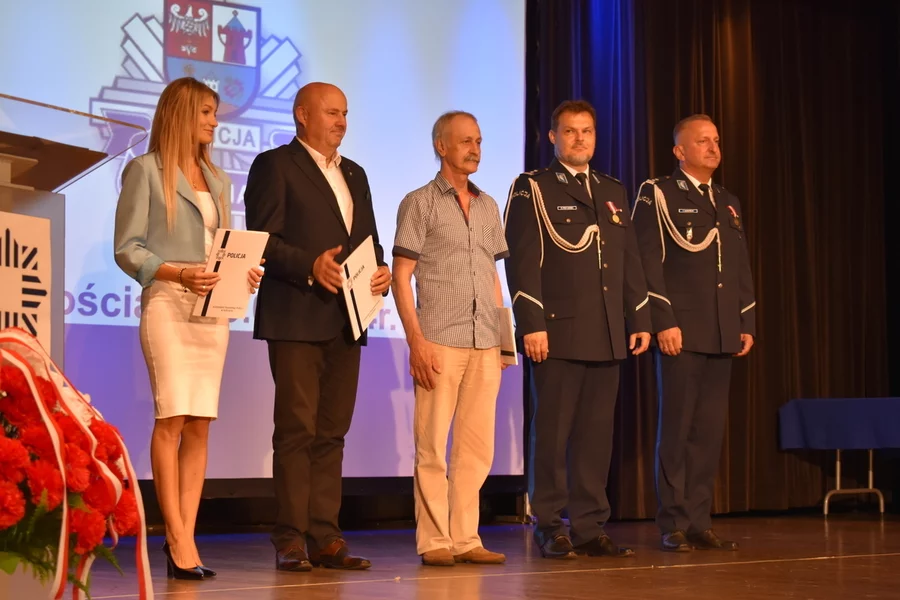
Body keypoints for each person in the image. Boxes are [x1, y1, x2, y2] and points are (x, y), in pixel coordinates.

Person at [113, 77, 263, 580]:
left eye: (215, 113)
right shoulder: (145, 171)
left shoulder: (217, 179)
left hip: (211, 312)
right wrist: (178, 273)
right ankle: (174, 536)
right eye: (205, 112)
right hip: (168, 304)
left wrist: (243, 272)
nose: (215, 122)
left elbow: (223, 247)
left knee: (200, 423)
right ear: (180, 113)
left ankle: (188, 538)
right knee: (172, 417)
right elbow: (127, 248)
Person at [244, 82, 391, 571]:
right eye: (331, 112)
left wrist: (381, 269)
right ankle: (290, 537)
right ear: (302, 115)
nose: (341, 121)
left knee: (332, 432)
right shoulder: (274, 165)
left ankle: (325, 536)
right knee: (296, 430)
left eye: (345, 113)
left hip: (348, 317)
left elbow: (368, 239)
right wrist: (310, 265)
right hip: (296, 314)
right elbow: (262, 239)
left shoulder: (355, 173)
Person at [503, 100, 651, 560]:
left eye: (587, 131)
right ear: (553, 137)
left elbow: (627, 260)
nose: (580, 139)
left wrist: (639, 317)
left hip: (606, 332)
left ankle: (589, 527)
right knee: (552, 435)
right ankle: (550, 525)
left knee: (594, 438)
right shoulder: (533, 188)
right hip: (558, 333)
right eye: (570, 131)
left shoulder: (612, 190)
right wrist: (531, 324)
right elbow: (522, 261)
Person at [631, 114, 756, 552]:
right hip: (680, 331)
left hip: (721, 330)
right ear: (679, 151)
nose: (713, 147)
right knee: (677, 430)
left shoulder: (727, 200)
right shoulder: (658, 193)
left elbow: (739, 266)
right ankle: (673, 522)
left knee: (708, 433)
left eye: (716, 140)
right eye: (702, 141)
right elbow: (646, 261)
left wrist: (745, 321)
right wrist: (662, 320)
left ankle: (700, 520)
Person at [392, 111, 509, 567]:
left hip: (485, 341)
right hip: (439, 338)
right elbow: (402, 276)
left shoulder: (488, 205)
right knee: (432, 446)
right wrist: (416, 341)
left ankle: (466, 537)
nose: (474, 149)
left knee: (476, 448)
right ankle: (435, 540)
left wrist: (504, 341)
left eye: (478, 141)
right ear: (441, 146)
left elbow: (493, 276)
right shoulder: (419, 202)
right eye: (465, 141)